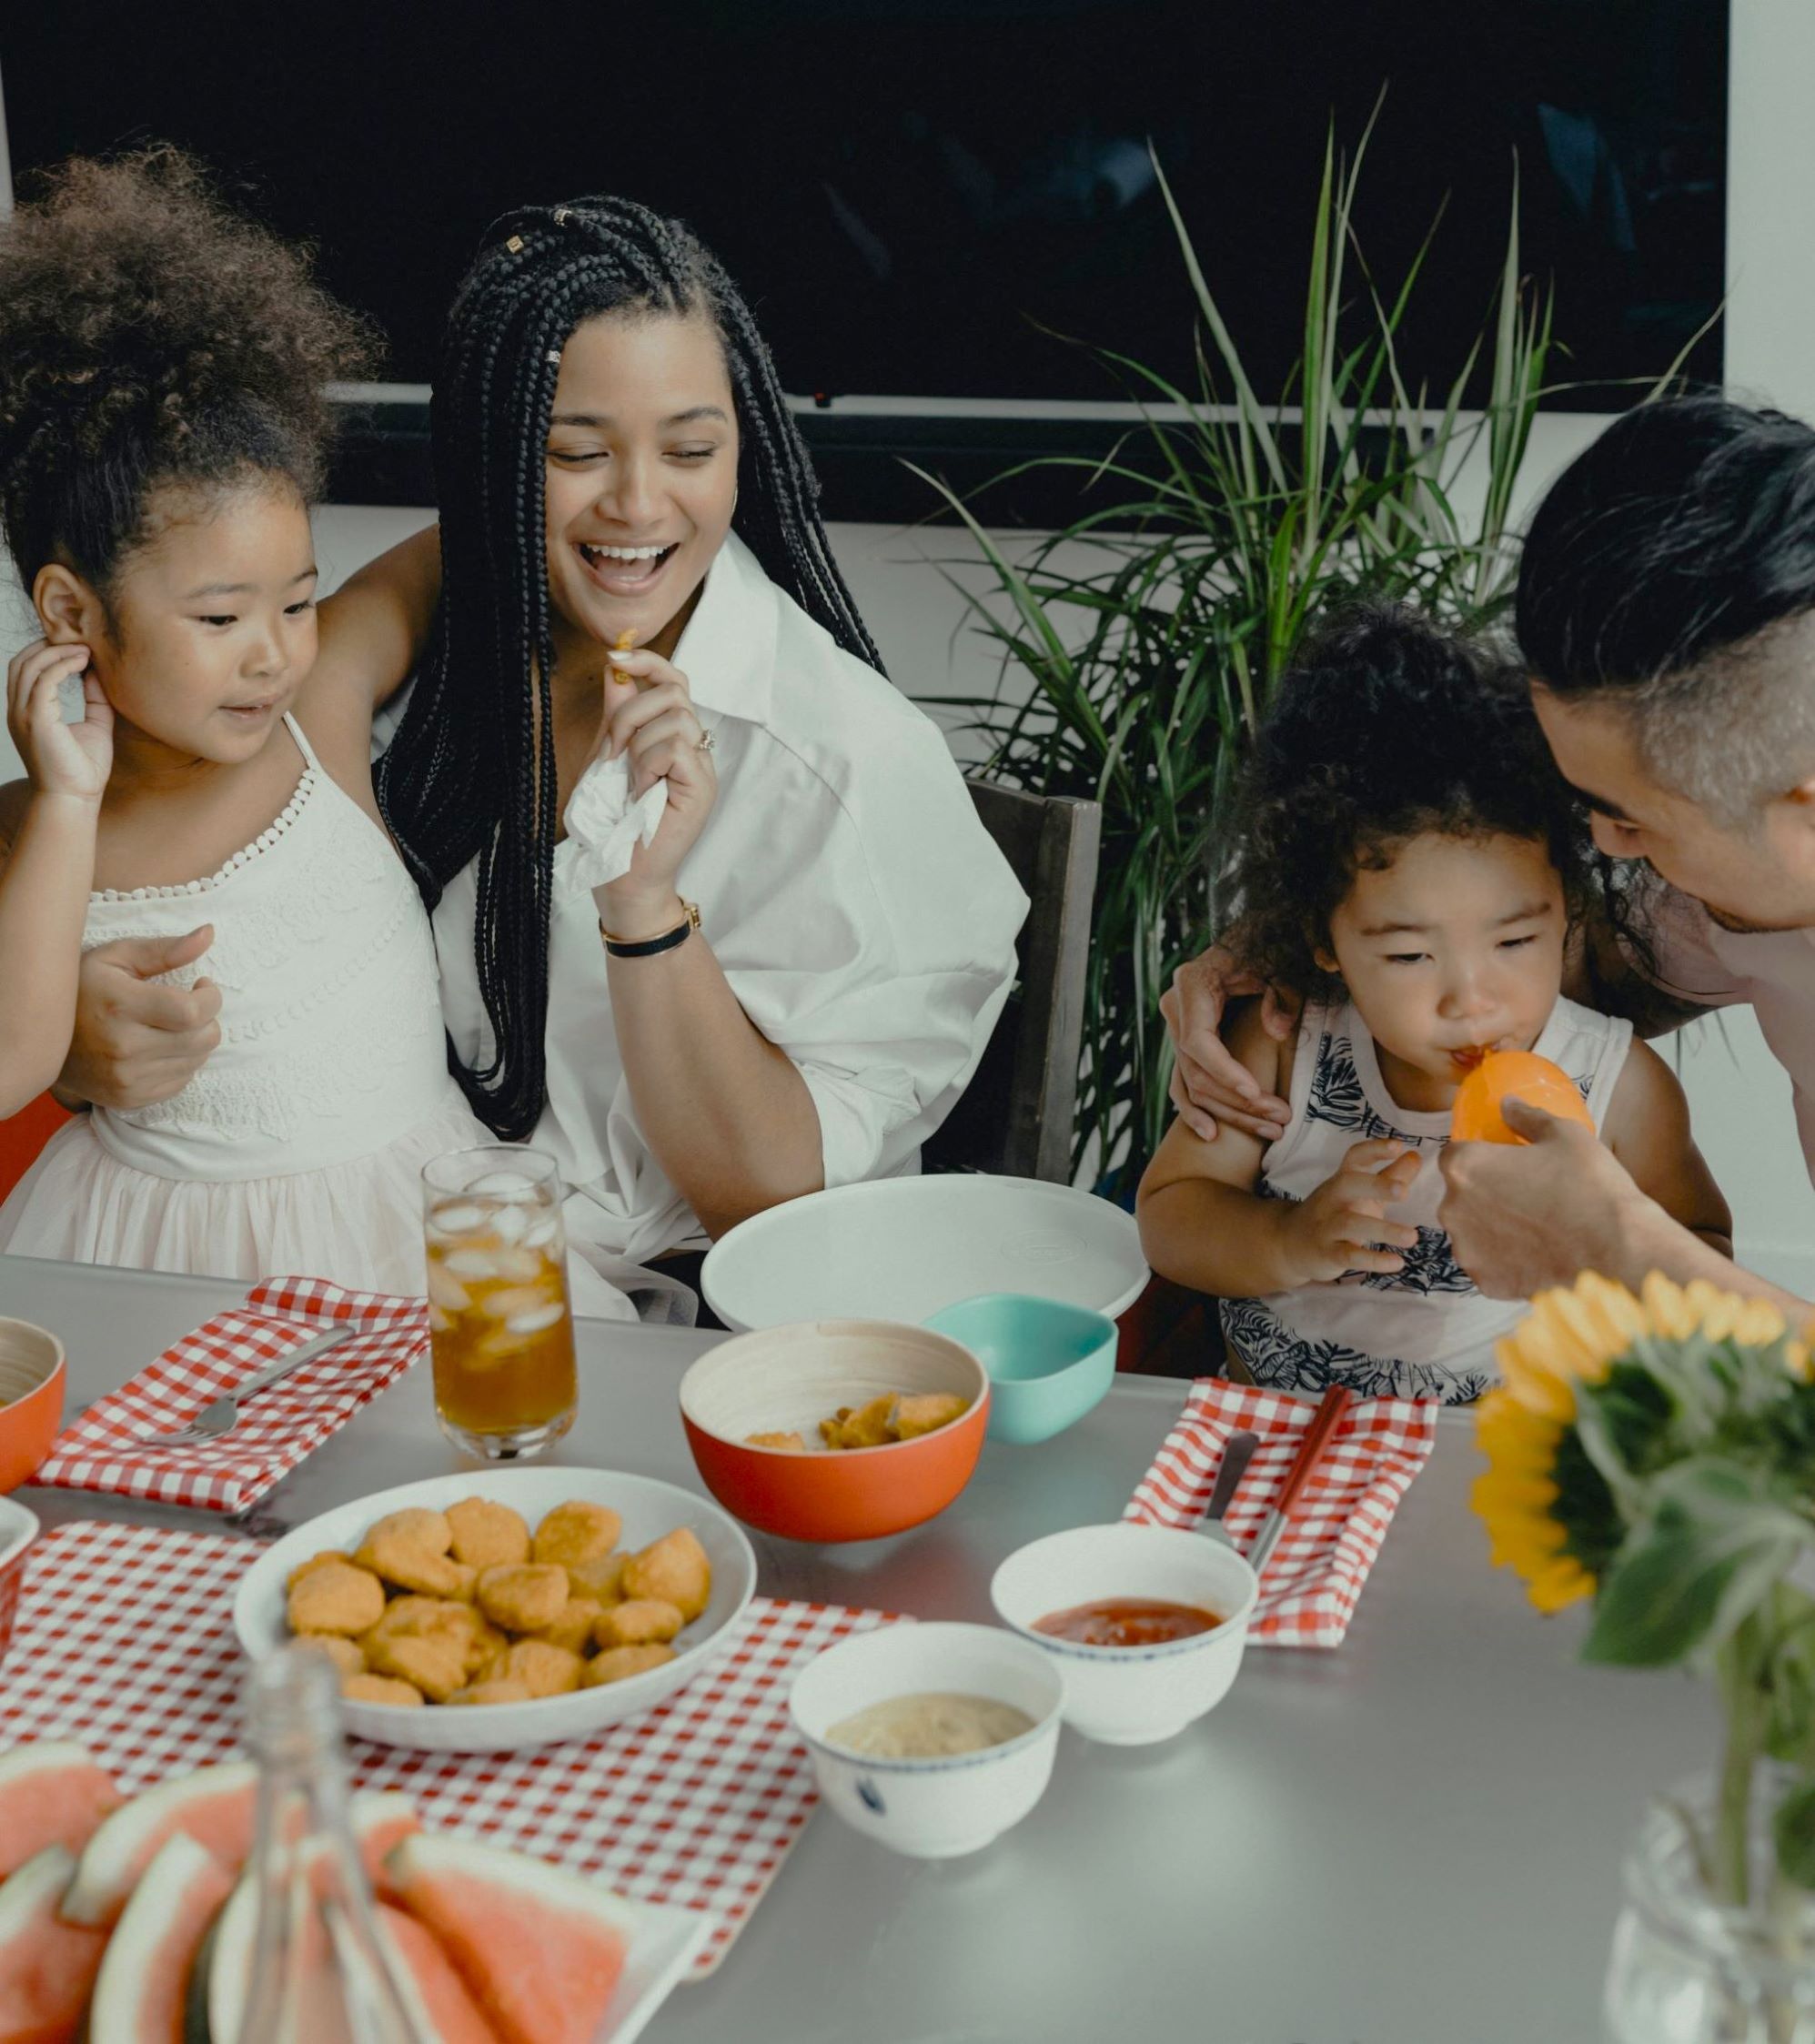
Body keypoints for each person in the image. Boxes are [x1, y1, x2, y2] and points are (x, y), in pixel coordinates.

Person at [51, 196, 1027, 1294]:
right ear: (493, 466)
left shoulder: (841, 764)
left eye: (693, 448)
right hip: (381, 1257)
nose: (641, 504)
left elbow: (773, 1211)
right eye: (574, 452)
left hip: (684, 1323)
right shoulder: (426, 654)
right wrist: (79, 1046)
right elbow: (273, 921)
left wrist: (645, 914)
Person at [0, 150, 634, 1315]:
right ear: (70, 614)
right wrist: (67, 801)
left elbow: (470, 542)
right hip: (144, 1258)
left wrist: (608, 485)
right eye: (219, 616)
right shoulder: (34, 829)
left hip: (407, 1228)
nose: (271, 650)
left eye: (296, 599)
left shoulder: (314, 710)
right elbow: (12, 1065)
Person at [1161, 395, 1815, 1317]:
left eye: (1630, 820)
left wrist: (1621, 1254)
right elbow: (1549, 955)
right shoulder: (1727, 899)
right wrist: (1282, 945)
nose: (1603, 850)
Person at [1136, 607, 1729, 1398]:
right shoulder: (1284, 1045)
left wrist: (1600, 1254)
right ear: (1324, 942)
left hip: (1492, 1452)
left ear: (1567, 912)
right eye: (1410, 955)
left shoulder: (1615, 1084)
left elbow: (1703, 1244)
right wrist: (1286, 1236)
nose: (1470, 999)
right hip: (1273, 1427)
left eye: (1514, 942)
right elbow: (1170, 1214)